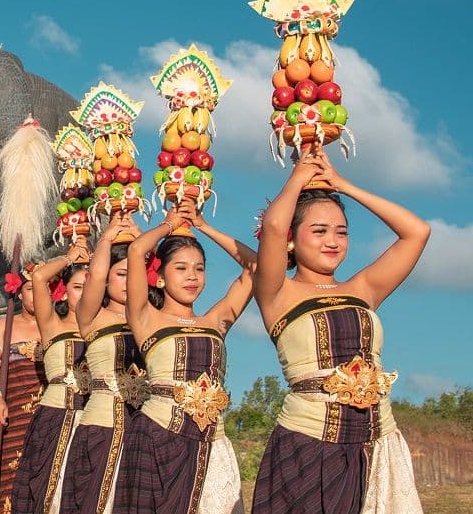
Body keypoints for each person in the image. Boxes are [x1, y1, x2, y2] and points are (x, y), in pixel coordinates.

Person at [250, 147, 428, 513]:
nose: (332, 241)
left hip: (378, 446)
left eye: (341, 232)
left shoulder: (363, 288)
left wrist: (343, 185)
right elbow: (271, 226)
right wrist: (299, 177)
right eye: (318, 231)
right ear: (291, 239)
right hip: (307, 446)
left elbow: (417, 231)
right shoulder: (277, 293)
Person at [122, 201, 254, 512]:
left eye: (199, 268)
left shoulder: (215, 321)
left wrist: (203, 225)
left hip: (213, 444)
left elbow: (257, 267)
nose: (192, 276)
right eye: (180, 268)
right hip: (157, 437)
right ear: (160, 277)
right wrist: (169, 225)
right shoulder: (146, 318)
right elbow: (136, 251)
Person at [60, 215, 145, 514]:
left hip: (146, 431)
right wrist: (106, 239)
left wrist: (144, 240)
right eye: (122, 274)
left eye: (135, 273)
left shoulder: (152, 318)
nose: (129, 280)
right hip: (101, 428)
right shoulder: (91, 317)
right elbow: (93, 278)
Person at [12, 240, 92, 514]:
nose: (83, 294)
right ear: (65, 291)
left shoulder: (107, 328)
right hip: (56, 416)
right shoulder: (52, 324)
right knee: (47, 490)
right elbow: (39, 277)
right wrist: (70, 258)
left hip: (95, 419)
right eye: (77, 287)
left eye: (90, 286)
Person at [0, 263, 50, 514]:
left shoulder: (59, 324)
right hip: (15, 415)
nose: (38, 293)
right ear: (20, 294)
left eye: (45, 287)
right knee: (13, 481)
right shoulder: (2, 327)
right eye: (31, 288)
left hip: (54, 415)